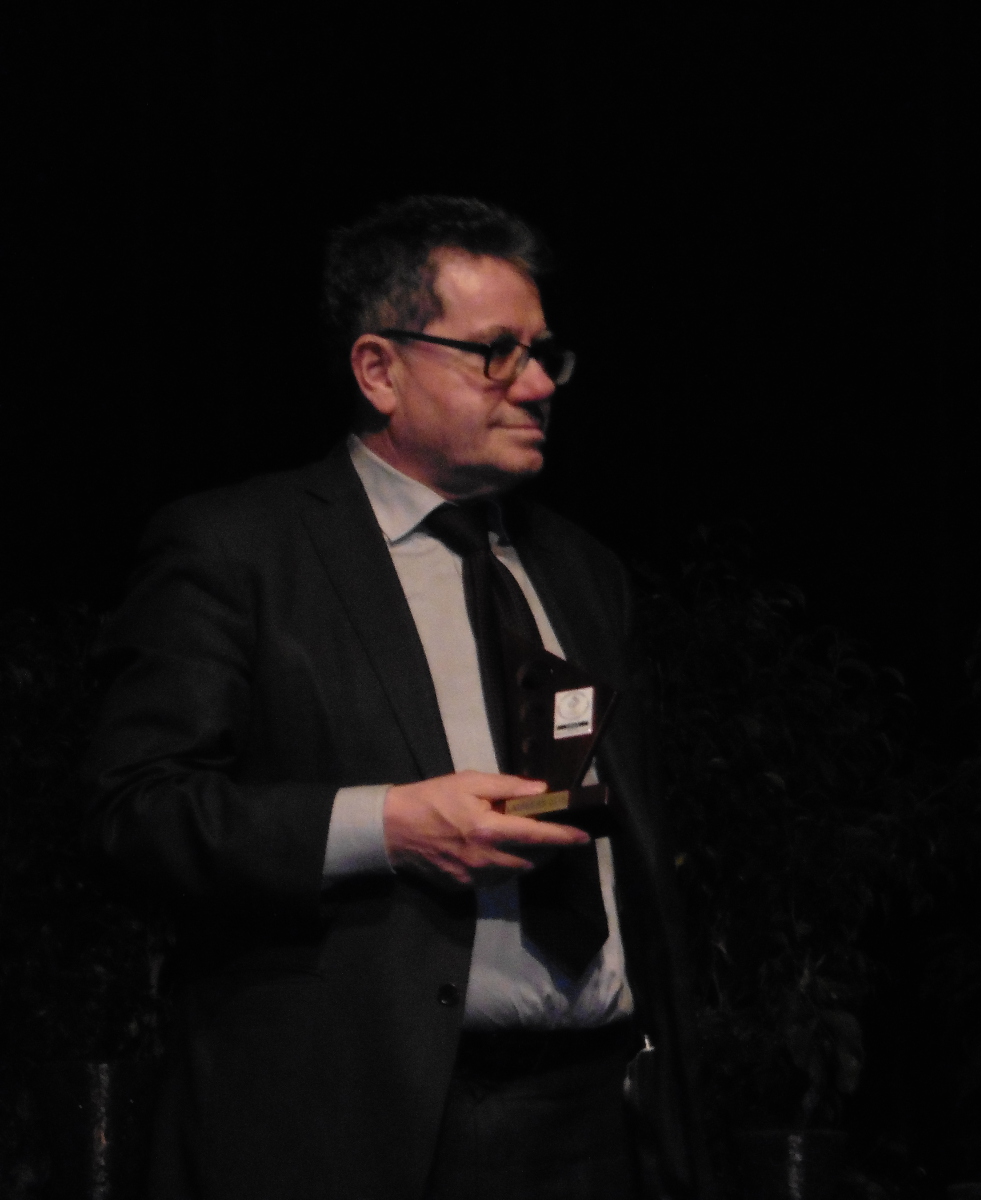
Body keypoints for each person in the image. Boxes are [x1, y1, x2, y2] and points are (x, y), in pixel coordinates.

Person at [85, 196, 705, 1200]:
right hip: (359, 1125)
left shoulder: (583, 572)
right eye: (496, 353)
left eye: (545, 354)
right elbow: (137, 815)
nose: (537, 384)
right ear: (378, 369)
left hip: (593, 1124)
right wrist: (386, 828)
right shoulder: (240, 550)